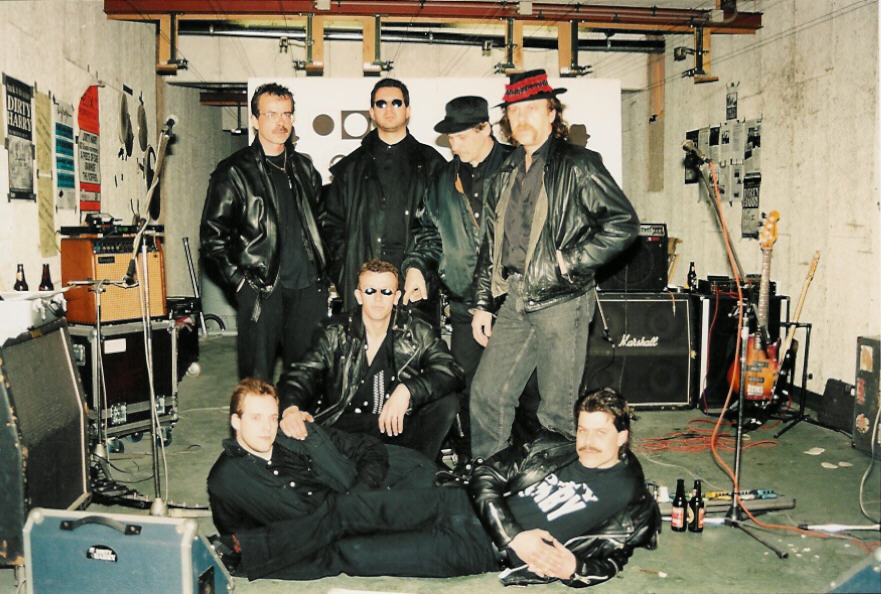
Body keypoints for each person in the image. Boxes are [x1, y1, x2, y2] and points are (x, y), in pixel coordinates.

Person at [219, 387, 661, 588]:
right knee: (347, 510)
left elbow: (612, 560)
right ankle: (240, 546)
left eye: (600, 433)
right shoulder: (556, 448)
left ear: (622, 437)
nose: (587, 441)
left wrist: (574, 568)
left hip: (472, 549)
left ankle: (242, 566)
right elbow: (486, 475)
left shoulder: (631, 500)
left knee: (350, 554)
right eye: (583, 429)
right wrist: (514, 535)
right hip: (456, 501)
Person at [469, 70, 639, 458]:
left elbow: (623, 224)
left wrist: (568, 262)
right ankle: (490, 476)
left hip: (563, 300)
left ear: (551, 113)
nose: (522, 117)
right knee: (487, 394)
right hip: (514, 296)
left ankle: (556, 483)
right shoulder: (505, 170)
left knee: (557, 412)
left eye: (532, 108)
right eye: (514, 110)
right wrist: (482, 303)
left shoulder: (579, 163)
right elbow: (490, 244)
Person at [401, 95, 514, 459]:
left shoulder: (518, 168)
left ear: (486, 129)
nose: (454, 145)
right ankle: (474, 461)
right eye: (450, 137)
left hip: (516, 304)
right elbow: (428, 233)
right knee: (467, 387)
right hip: (466, 305)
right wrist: (416, 267)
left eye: (461, 137)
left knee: (524, 390)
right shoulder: (442, 179)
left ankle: (524, 461)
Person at [201, 82, 328, 381]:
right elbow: (212, 236)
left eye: (286, 114)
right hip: (261, 291)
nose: (280, 122)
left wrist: (324, 272)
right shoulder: (234, 171)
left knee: (306, 380)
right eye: (271, 114)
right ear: (255, 120)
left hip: (307, 290)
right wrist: (240, 283)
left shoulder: (304, 168)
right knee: (257, 383)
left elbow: (321, 222)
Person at [277, 259, 462, 460]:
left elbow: (451, 370)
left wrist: (408, 390)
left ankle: (416, 463)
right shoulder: (335, 331)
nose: (378, 299)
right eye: (370, 291)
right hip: (346, 427)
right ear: (359, 296)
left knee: (447, 403)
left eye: (386, 292)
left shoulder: (417, 330)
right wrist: (291, 409)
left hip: (396, 427)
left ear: (396, 297)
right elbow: (302, 374)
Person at [207, 377, 437, 536]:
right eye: (256, 418)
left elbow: (368, 447)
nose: (267, 427)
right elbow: (241, 538)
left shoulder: (296, 432)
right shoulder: (231, 478)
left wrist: (358, 495)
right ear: (236, 421)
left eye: (272, 418)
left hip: (363, 481)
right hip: (347, 520)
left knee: (424, 470)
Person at [324, 78, 445, 312]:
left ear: (408, 110)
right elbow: (332, 229)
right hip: (364, 287)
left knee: (417, 338)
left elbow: (444, 230)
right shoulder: (350, 169)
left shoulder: (432, 164)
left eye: (396, 103)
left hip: (414, 285)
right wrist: (346, 275)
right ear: (371, 112)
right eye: (381, 103)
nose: (389, 109)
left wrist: (424, 271)